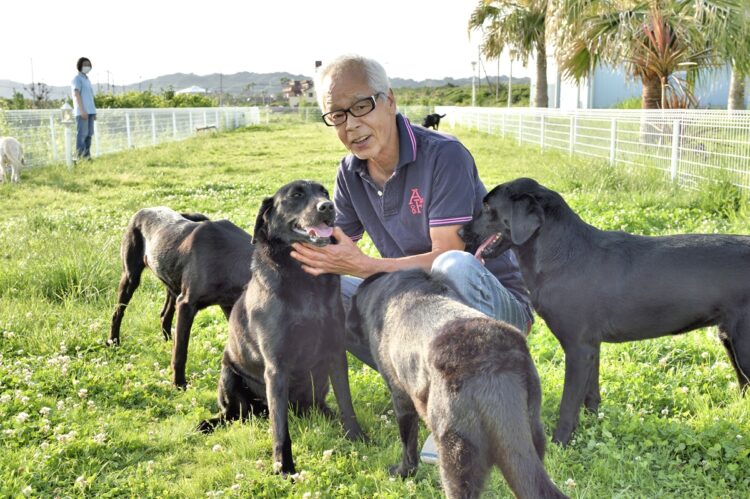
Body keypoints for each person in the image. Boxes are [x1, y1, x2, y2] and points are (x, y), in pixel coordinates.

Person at [290, 54, 533, 461]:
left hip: (493, 305)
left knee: (450, 267)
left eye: (361, 107)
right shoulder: (350, 173)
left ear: (391, 100)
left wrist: (367, 267)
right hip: (418, 305)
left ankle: (465, 410)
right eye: (336, 115)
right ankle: (423, 388)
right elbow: (336, 249)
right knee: (328, 284)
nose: (351, 125)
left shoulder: (443, 156)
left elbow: (449, 253)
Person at [71, 57, 97, 161]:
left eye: (89, 64)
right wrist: (82, 110)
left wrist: (94, 111)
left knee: (89, 135)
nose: (87, 66)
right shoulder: (77, 78)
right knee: (82, 135)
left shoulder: (87, 80)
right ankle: (80, 157)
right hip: (82, 112)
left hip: (90, 111)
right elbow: (76, 94)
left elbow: (90, 96)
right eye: (85, 64)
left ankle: (87, 156)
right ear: (80, 65)